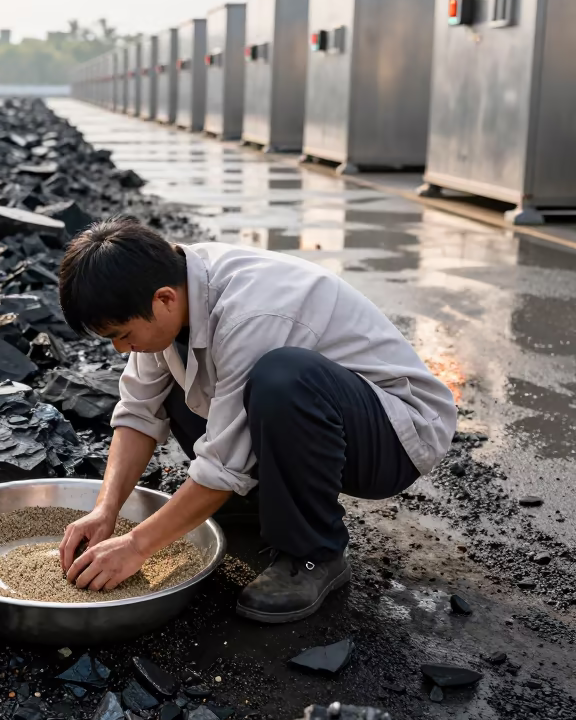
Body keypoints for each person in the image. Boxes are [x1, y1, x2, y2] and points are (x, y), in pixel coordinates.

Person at [56, 216, 457, 623]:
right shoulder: (168, 290)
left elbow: (224, 463)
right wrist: (104, 511)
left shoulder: (252, 311)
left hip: (393, 435)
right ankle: (259, 502)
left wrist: (137, 546)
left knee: (282, 378)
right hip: (326, 418)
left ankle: (314, 553)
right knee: (180, 384)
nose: (123, 350)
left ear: (164, 300)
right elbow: (138, 413)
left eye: (122, 335)